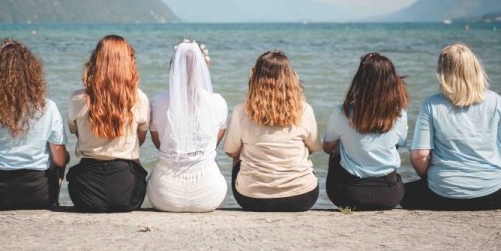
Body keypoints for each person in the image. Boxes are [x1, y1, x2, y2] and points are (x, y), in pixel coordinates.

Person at [401, 43, 501, 210]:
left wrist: (430, 177)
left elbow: (419, 155)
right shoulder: (495, 100)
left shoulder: (431, 105)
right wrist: (487, 171)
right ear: (475, 68)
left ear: (442, 72)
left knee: (404, 193)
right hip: (493, 194)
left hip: (444, 194)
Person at [0, 39, 68, 210]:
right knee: (57, 160)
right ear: (32, 71)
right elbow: (60, 160)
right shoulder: (48, 107)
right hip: (39, 194)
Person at [224, 50, 321, 212]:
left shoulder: (241, 110)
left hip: (252, 199)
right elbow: (316, 147)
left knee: (239, 154)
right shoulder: (304, 109)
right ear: (290, 78)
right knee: (302, 150)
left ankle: (256, 183)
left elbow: (230, 151)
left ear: (255, 78)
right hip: (302, 197)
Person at [67, 35, 150, 213]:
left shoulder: (77, 98)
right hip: (126, 190)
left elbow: (77, 134)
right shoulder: (140, 98)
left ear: (95, 61)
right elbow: (140, 139)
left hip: (86, 191)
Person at [146, 40, 228, 212]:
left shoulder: (158, 101)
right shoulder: (218, 102)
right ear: (204, 68)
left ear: (174, 68)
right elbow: (214, 144)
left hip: (165, 194)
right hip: (208, 194)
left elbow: (158, 144)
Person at [322, 53, 409, 210]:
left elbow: (328, 148)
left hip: (348, 195)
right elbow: (398, 144)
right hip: (389, 195)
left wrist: (348, 141)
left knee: (337, 151)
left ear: (359, 80)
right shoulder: (399, 113)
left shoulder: (342, 112)